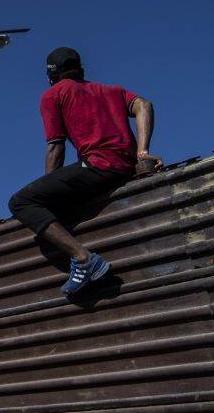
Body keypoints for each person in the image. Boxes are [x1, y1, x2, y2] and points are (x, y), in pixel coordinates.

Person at [9, 46, 163, 295]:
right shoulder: (111, 90)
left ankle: (84, 260)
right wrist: (142, 152)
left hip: (99, 165)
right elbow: (144, 105)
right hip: (124, 167)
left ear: (51, 77)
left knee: (21, 202)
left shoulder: (53, 94)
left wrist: (50, 190)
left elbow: (55, 147)